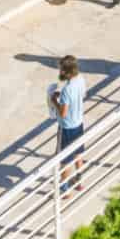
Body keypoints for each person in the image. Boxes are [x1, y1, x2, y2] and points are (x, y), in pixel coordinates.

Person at [47, 54, 86, 194]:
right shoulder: (81, 79)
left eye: (62, 70)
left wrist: (54, 100)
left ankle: (64, 188)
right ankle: (79, 181)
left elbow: (63, 113)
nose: (60, 72)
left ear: (67, 71)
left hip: (67, 127)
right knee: (78, 153)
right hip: (79, 123)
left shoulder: (66, 90)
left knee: (63, 158)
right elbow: (81, 95)